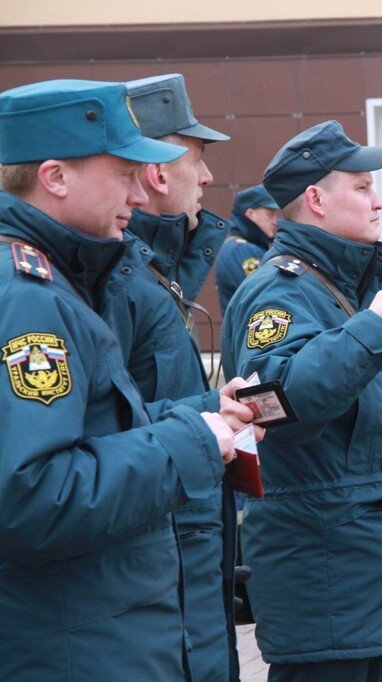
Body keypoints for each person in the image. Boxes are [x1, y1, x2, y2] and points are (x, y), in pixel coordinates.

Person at [0, 78, 235, 679]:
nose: (139, 190)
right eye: (124, 172)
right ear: (55, 177)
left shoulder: (61, 278)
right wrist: (192, 442)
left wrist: (197, 416)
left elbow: (92, 428)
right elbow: (33, 494)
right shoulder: (29, 297)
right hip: (80, 644)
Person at [220, 120, 382, 682]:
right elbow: (275, 407)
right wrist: (373, 327)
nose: (379, 202)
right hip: (324, 567)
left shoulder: (332, 284)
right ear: (317, 199)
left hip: (352, 563)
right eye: (362, 187)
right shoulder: (280, 289)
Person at [103, 72, 247, 682]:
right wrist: (201, 419)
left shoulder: (154, 272)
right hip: (160, 566)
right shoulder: (118, 277)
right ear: (159, 174)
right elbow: (108, 423)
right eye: (199, 160)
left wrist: (213, 405)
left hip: (188, 553)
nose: (208, 179)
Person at [217, 184, 280, 314]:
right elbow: (267, 297)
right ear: (250, 214)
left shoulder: (245, 247)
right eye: (270, 214)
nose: (275, 221)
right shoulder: (241, 250)